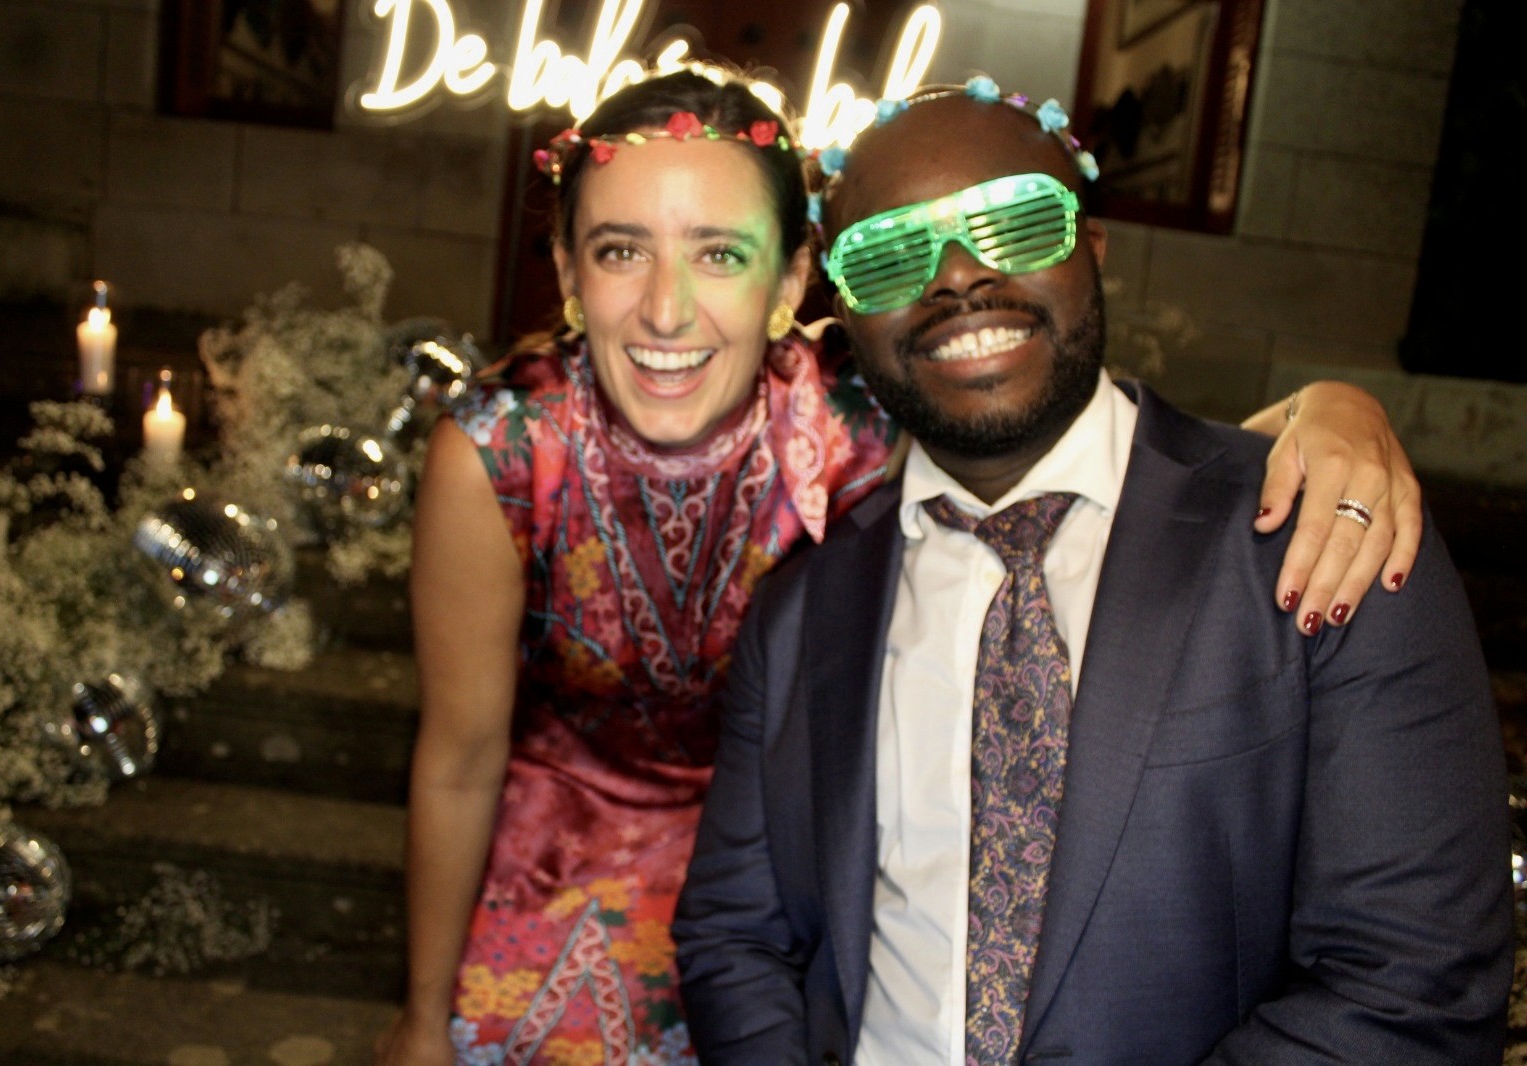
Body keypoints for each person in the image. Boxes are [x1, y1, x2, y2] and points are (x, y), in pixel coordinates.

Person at [376, 68, 1428, 1066]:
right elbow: (460, 754)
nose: (665, 309)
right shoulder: (506, 448)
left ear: (795, 280)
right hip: (567, 860)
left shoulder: (859, 402)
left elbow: (1094, 444)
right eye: (617, 251)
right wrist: (422, 1018)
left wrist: (1328, 410)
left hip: (800, 862)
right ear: (565, 273)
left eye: (719, 252)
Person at [672, 84, 1511, 1065]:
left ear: (1093, 246)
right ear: (844, 313)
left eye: (1016, 222)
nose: (957, 278)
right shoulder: (802, 606)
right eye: (891, 253)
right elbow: (737, 934)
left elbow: (1416, 986)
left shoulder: (1318, 528)